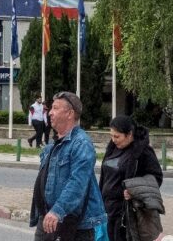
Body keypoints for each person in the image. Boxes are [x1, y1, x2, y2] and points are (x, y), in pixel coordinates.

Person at [29, 91, 107, 240]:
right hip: (48, 219)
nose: (50, 113)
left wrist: (58, 211)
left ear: (70, 114)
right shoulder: (52, 146)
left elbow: (78, 182)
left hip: (73, 224)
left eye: (55, 108)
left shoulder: (81, 143)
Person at [99, 116, 163, 241]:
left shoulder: (143, 152)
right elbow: (105, 177)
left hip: (127, 213)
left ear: (129, 135)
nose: (113, 140)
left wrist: (134, 190)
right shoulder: (112, 148)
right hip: (108, 210)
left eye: (117, 136)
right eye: (111, 136)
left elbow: (156, 178)